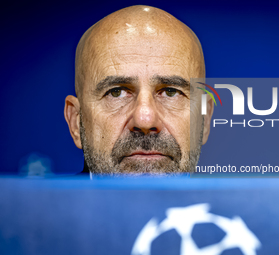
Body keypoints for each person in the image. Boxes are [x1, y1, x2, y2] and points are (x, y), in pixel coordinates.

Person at [64, 5, 214, 174]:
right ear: (76, 122)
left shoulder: (241, 201)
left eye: (170, 92)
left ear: (205, 120)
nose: (145, 120)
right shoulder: (36, 202)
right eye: (116, 92)